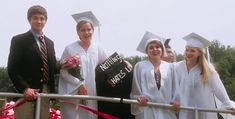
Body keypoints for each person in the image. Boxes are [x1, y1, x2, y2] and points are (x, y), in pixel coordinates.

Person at [7, 5, 60, 119]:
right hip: (26, 93)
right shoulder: (19, 40)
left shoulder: (50, 43)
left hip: (45, 92)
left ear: (46, 20)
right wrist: (25, 88)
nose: (39, 21)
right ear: (29, 20)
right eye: (35, 18)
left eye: (42, 18)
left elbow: (53, 69)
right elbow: (12, 68)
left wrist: (64, 65)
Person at [58, 11, 107, 119]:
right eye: (82, 30)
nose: (86, 33)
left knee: (91, 114)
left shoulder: (98, 48)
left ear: (93, 30)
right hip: (74, 92)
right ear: (78, 32)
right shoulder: (70, 48)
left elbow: (107, 66)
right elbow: (63, 71)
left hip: (92, 92)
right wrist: (78, 84)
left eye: (89, 29)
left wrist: (124, 63)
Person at [174, 32, 235, 119]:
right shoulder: (178, 67)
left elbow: (218, 88)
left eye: (192, 50)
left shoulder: (207, 69)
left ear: (199, 53)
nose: (188, 53)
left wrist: (229, 105)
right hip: (186, 110)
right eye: (187, 50)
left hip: (203, 111)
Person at [130, 31, 180, 119]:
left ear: (162, 49)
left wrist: (176, 100)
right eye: (151, 48)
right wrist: (139, 99)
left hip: (166, 110)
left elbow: (175, 88)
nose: (155, 49)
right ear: (147, 51)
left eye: (157, 47)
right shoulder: (140, 66)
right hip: (146, 109)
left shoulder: (170, 67)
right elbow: (136, 89)